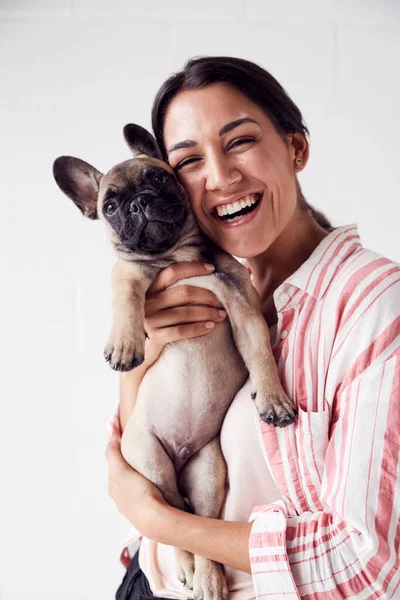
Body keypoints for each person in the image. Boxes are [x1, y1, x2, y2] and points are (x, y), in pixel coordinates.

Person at [105, 56, 400, 599]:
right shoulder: (183, 285)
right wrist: (141, 360)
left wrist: (161, 521)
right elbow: (136, 453)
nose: (219, 176)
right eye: (189, 160)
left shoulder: (372, 305)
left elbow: (367, 563)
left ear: (296, 148)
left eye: (239, 141)